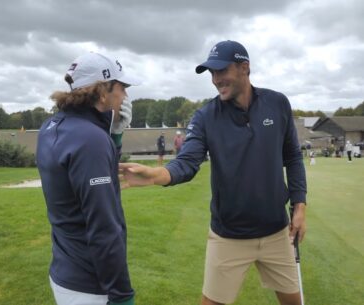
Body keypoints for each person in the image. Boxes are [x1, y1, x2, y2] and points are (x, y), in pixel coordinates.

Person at [120, 40, 307, 305]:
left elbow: (292, 156)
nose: (216, 79)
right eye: (212, 73)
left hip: (277, 232)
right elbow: (187, 162)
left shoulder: (277, 104)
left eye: (221, 71)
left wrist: (299, 206)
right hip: (228, 236)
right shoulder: (205, 116)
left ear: (245, 68)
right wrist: (156, 175)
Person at [36, 52, 140, 305]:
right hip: (90, 283)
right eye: (121, 87)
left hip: (65, 269)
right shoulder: (90, 139)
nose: (125, 95)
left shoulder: (51, 127)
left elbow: (95, 179)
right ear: (103, 91)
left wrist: (114, 136)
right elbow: (104, 226)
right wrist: (121, 294)